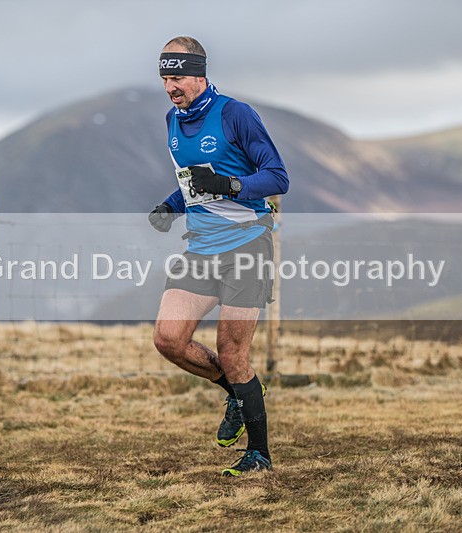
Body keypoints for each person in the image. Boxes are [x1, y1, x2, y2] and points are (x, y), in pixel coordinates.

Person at [148, 36, 289, 476]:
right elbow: (194, 181)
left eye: (178, 77)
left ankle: (259, 454)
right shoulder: (172, 121)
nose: (171, 87)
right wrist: (171, 205)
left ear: (199, 73)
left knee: (232, 352)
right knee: (168, 339)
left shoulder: (235, 114)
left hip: (247, 245)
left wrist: (232, 187)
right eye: (165, 78)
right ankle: (238, 392)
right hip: (201, 247)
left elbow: (277, 177)